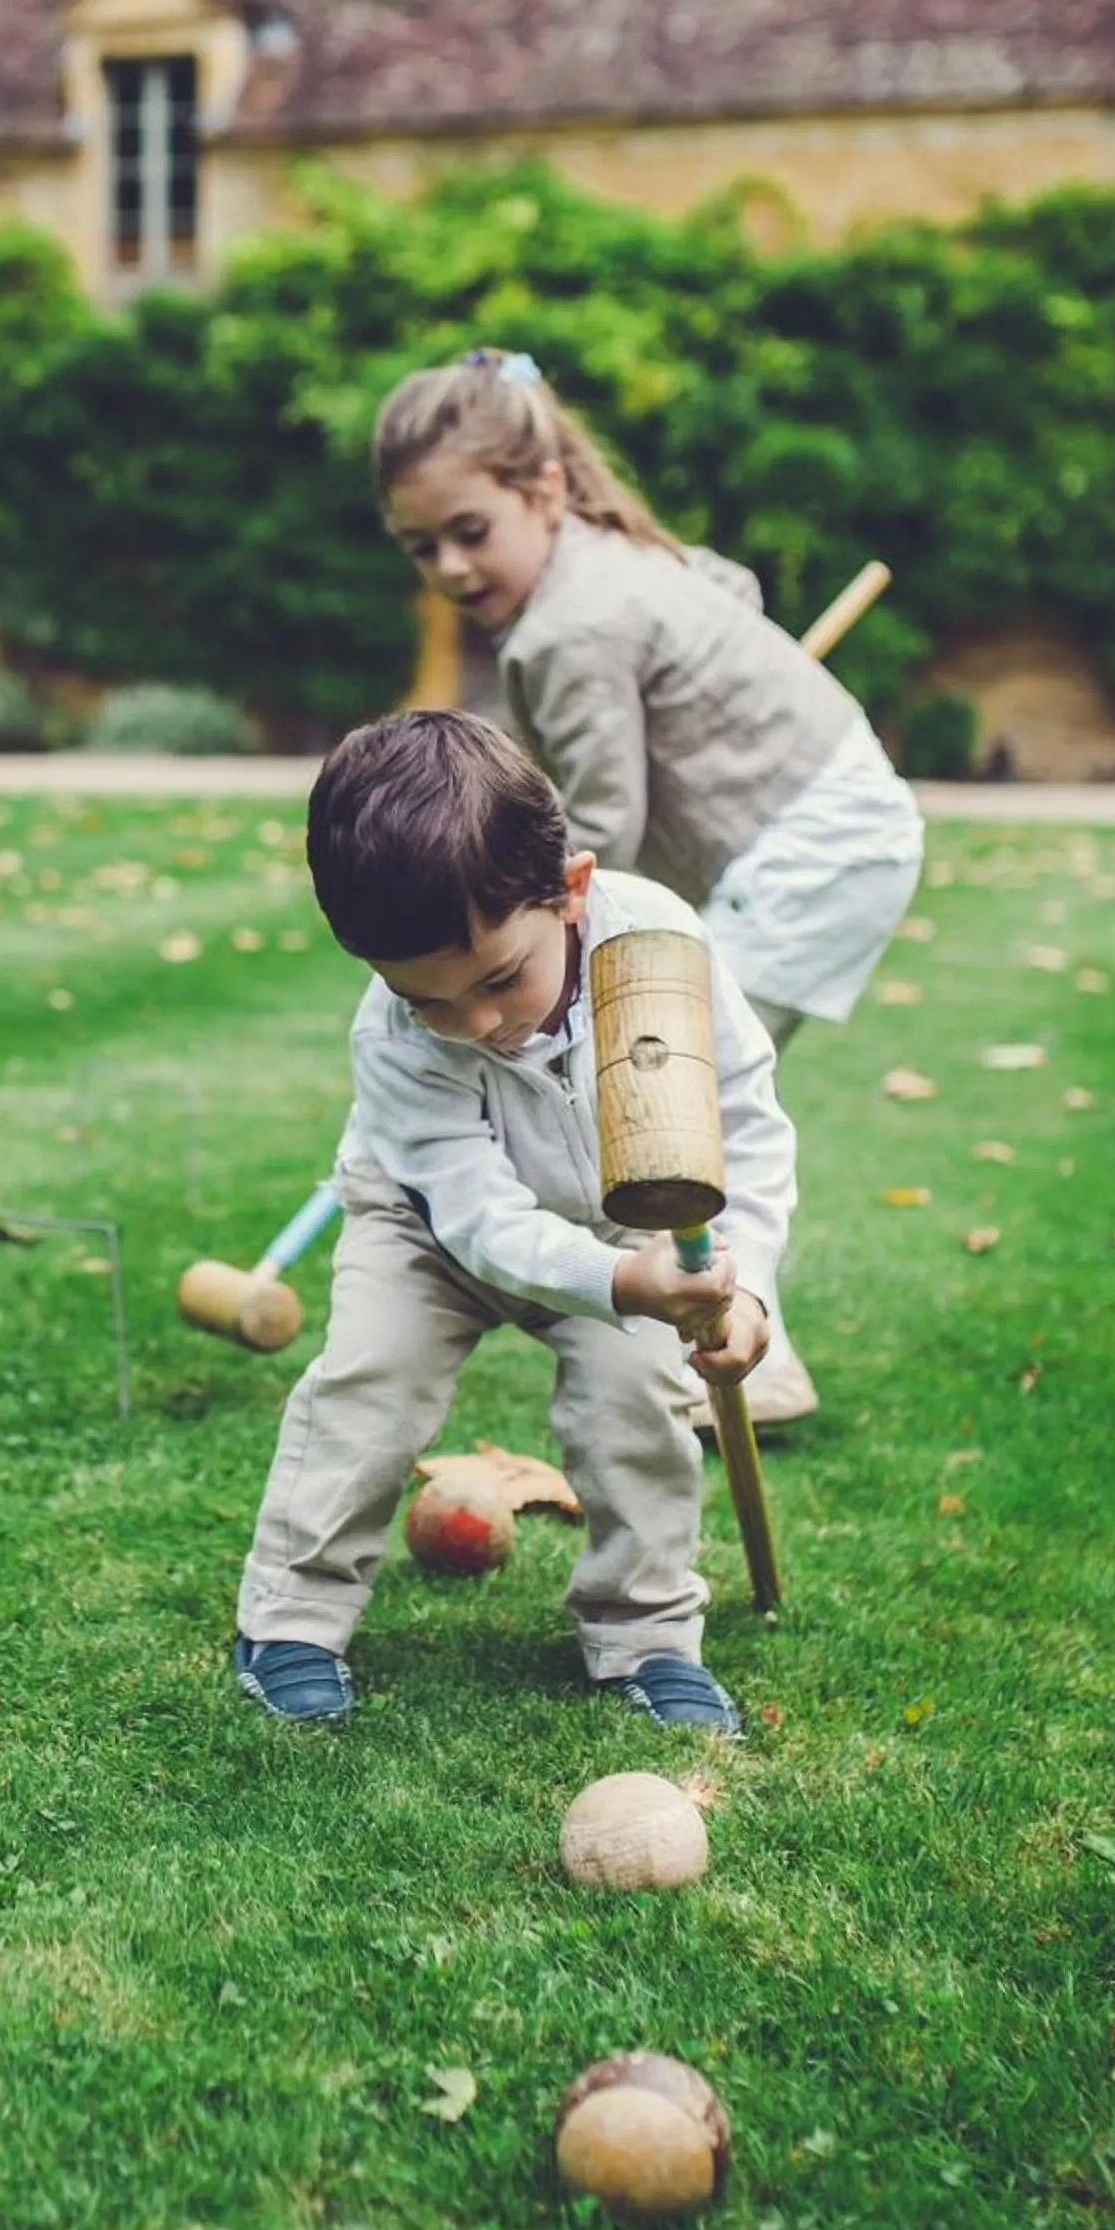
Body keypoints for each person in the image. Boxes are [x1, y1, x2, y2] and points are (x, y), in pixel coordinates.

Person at [374, 347, 924, 1425]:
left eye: (468, 532)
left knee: (648, 1103)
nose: (446, 567)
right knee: (648, 1107)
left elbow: (600, 831)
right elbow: (731, 589)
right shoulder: (605, 562)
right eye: (419, 546)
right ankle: (738, 1359)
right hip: (823, 830)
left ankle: (731, 1366)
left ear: (542, 489)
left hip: (812, 852)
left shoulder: (574, 623)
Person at [232, 709, 793, 1734]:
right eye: (426, 999)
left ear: (569, 892)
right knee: (369, 1382)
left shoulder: (660, 951)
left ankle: (645, 1633)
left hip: (617, 1223)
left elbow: (744, 1128)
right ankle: (291, 1618)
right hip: (425, 1229)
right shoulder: (394, 1037)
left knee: (638, 1399)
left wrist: (745, 1286)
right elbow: (477, 1215)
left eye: (498, 981)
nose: (475, 1025)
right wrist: (623, 1287)